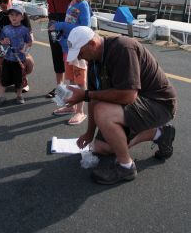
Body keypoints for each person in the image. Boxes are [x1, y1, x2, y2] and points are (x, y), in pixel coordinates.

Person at [65, 26, 177, 185]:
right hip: (138, 105)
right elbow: (93, 98)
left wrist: (85, 95)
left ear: (92, 44)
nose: (81, 59)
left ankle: (126, 167)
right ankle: (159, 134)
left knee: (103, 111)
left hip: (159, 104)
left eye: (81, 53)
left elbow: (128, 95)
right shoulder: (95, 62)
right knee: (100, 147)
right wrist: (89, 133)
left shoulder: (122, 48)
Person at [29, 0, 85, 98]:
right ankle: (60, 87)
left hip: (71, 18)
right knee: (57, 52)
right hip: (54, 18)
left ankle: (74, 88)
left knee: (72, 53)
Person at [50, 0, 91, 125]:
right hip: (68, 49)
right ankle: (71, 106)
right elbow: (70, 26)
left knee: (80, 82)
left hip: (79, 51)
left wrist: (60, 25)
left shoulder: (83, 4)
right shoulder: (71, 3)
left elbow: (84, 28)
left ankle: (80, 112)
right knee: (70, 79)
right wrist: (60, 36)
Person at [0, 4, 32, 105]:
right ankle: (1, 95)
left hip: (19, 59)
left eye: (17, 15)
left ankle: (19, 95)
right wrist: (4, 41)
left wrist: (24, 49)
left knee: (19, 79)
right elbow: (1, 41)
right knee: (4, 78)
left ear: (22, 17)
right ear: (9, 16)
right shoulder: (5, 29)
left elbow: (29, 42)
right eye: (11, 15)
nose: (13, 17)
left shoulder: (25, 30)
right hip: (7, 58)